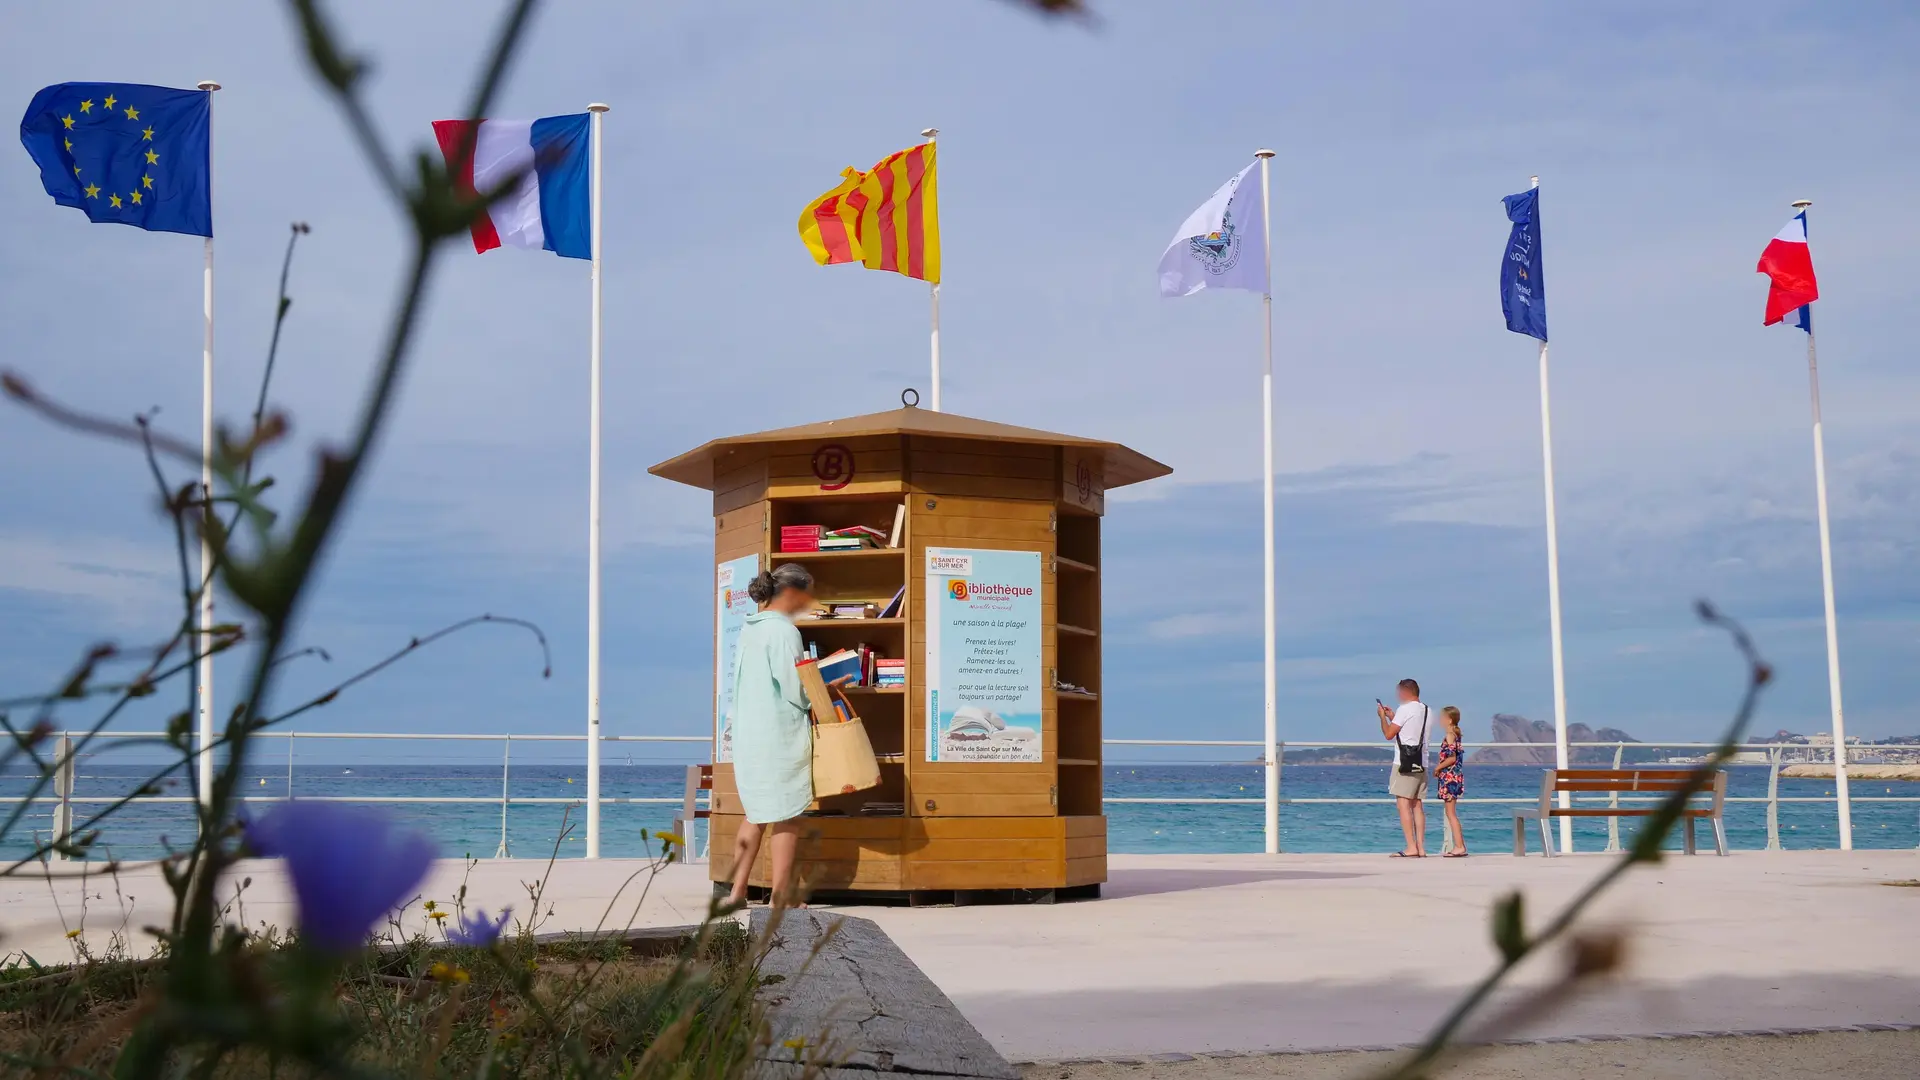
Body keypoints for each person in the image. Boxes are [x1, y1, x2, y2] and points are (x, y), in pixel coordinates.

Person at [724, 562, 817, 907]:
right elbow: (795, 689)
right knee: (787, 814)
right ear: (792, 592)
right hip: (778, 735)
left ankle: (736, 893)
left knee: (756, 813)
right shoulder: (783, 631)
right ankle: (780, 897)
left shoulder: (750, 629)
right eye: (807, 594)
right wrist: (824, 688)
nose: (809, 602)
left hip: (750, 735)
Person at [1376, 678, 1431, 858]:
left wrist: (1383, 718)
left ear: (1405, 692)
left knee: (1403, 803)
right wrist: (1393, 717)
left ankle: (1410, 847)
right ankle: (1421, 848)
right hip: (1422, 761)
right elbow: (1411, 730)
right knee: (1417, 804)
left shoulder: (1404, 709)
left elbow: (1389, 734)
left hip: (1404, 763)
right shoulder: (1427, 710)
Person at [1435, 705, 1468, 857]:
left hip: (1449, 777)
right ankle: (1460, 845)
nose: (1439, 720)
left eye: (1442, 717)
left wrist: (1438, 768)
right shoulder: (1456, 734)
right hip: (1454, 776)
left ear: (1449, 720)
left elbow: (1452, 758)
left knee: (1451, 813)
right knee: (1451, 813)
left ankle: (1459, 846)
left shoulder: (1450, 735)